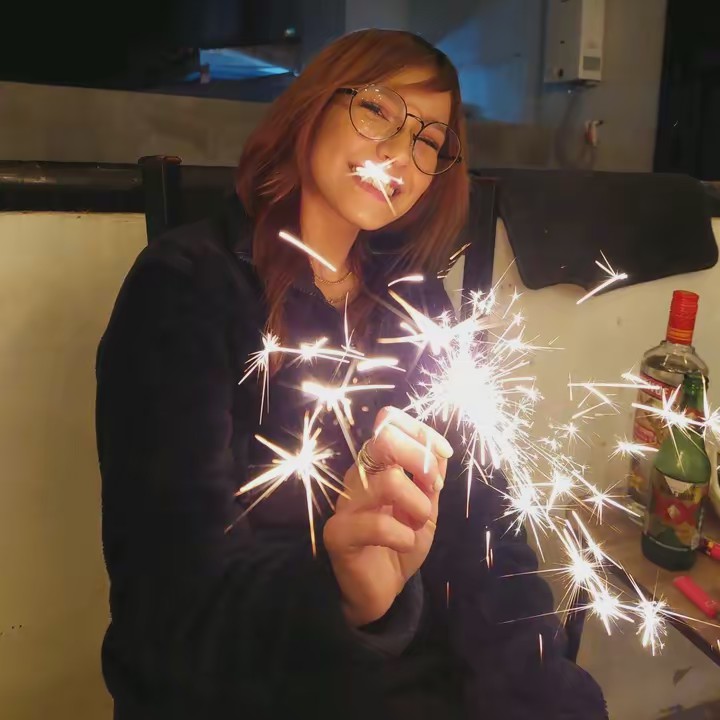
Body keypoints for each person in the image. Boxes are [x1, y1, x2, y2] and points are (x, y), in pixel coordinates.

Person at [96, 29, 608, 720]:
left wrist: (542, 692)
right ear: (313, 106)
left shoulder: (418, 303)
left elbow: (488, 532)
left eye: (429, 141)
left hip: (425, 678)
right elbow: (168, 599)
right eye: (376, 109)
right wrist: (344, 596)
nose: (398, 153)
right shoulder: (188, 287)